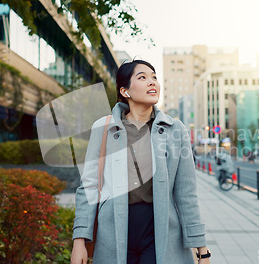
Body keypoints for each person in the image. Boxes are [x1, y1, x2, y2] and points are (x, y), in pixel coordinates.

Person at [70, 60, 211, 264]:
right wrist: (79, 242)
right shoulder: (104, 128)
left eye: (154, 77)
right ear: (125, 91)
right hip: (114, 230)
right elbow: (89, 187)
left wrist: (202, 249)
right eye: (142, 77)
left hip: (159, 231)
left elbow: (186, 193)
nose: (152, 82)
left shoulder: (175, 130)